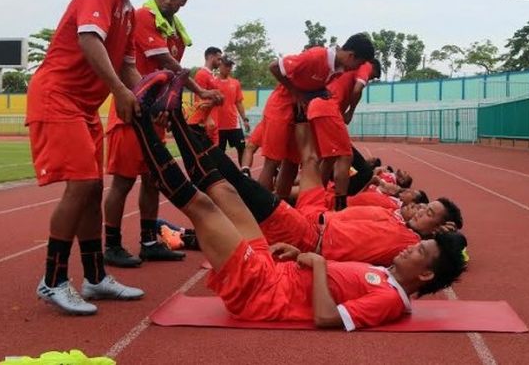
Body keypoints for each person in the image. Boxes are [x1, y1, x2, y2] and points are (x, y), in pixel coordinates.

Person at [129, 74, 468, 330]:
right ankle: (173, 116)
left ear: (425, 275)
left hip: (260, 292)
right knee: (227, 192)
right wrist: (300, 258)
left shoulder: (391, 299)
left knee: (203, 207)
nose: (412, 248)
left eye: (421, 251)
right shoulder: (386, 274)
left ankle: (141, 118)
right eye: (420, 246)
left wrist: (316, 263)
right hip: (276, 270)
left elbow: (326, 317)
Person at [25, 0, 165, 315]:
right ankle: (52, 279)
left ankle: (95, 276)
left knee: (91, 189)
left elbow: (126, 65)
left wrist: (149, 94)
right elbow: (89, 39)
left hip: (84, 107)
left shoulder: (127, 10)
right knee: (83, 184)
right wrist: (120, 93)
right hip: (58, 97)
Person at [164, 96, 463, 267]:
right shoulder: (397, 218)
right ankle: (300, 114)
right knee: (302, 162)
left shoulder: (411, 245)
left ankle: (178, 122)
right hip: (314, 215)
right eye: (427, 208)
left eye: (429, 214)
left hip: (304, 234)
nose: (422, 210)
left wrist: (452, 242)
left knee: (230, 187)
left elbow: (457, 255)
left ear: (439, 229)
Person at [102, 0, 214, 268]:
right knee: (122, 183)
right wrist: (201, 90)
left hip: (154, 116)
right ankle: (111, 245)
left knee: (153, 181)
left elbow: (170, 75)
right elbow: (167, 63)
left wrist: (169, 106)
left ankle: (149, 242)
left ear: (184, 0)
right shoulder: (142, 18)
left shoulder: (175, 29)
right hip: (131, 112)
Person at [258, 34, 375, 197]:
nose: (356, 69)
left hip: (299, 111)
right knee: (272, 162)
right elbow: (274, 67)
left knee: (292, 163)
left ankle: (282, 207)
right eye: (358, 64)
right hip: (281, 106)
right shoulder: (315, 56)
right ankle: (262, 212)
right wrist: (296, 93)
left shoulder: (337, 70)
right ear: (351, 56)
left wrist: (319, 93)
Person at [309, 58, 381, 210]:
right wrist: (351, 112)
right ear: (373, 67)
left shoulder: (346, 70)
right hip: (328, 108)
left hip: (316, 106)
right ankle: (340, 205)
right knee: (346, 155)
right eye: (373, 77)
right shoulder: (365, 65)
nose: (370, 79)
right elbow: (357, 89)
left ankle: (317, 199)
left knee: (329, 158)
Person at [215, 57, 250, 164]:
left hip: (233, 124)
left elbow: (238, 102)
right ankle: (221, 176)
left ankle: (244, 172)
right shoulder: (212, 82)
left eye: (230, 66)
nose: (229, 68)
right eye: (226, 65)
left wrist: (245, 119)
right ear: (220, 66)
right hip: (217, 125)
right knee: (219, 152)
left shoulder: (235, 83)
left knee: (242, 148)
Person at [186, 47, 224, 145]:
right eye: (219, 59)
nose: (220, 62)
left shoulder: (211, 76)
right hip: (207, 122)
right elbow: (199, 99)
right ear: (211, 57)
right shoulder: (202, 74)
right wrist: (208, 118)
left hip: (214, 121)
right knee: (210, 155)